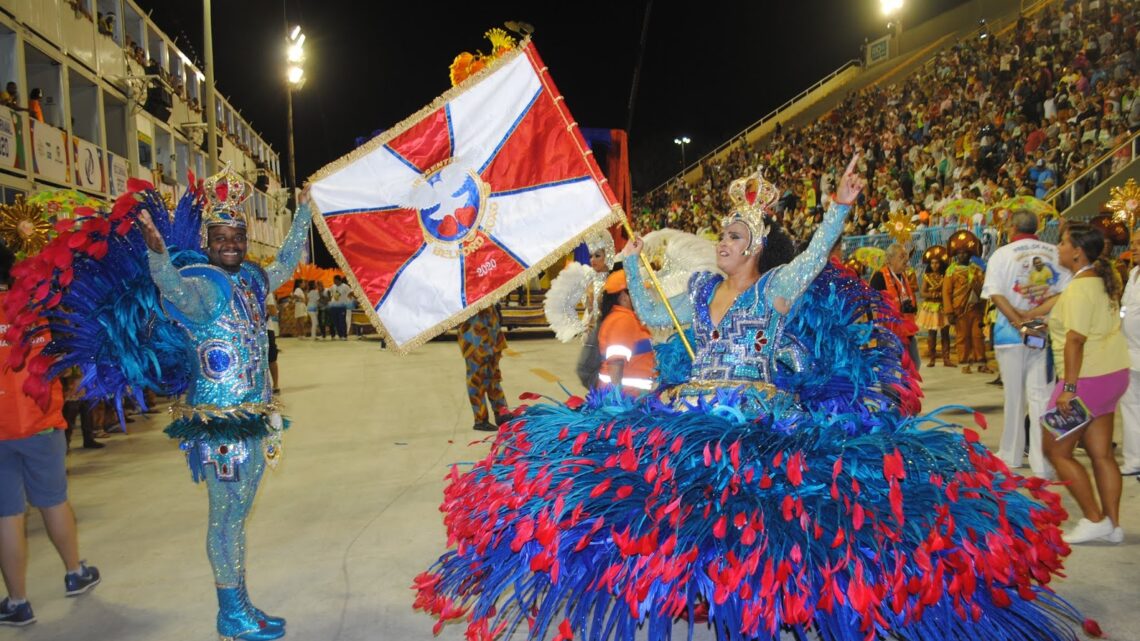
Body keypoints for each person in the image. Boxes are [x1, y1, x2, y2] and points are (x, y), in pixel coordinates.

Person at [416, 157, 1086, 641]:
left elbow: (818, 255)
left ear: (756, 247)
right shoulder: (703, 291)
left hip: (757, 416)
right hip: (689, 410)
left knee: (761, 525)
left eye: (733, 237)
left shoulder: (775, 289)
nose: (722, 243)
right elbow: (649, 306)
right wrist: (629, 253)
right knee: (654, 506)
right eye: (722, 236)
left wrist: (841, 207)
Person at [136, 166, 312, 640]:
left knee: (239, 516)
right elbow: (171, 289)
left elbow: (288, 263)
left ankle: (241, 606)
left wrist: (303, 213)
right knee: (227, 517)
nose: (230, 243)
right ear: (208, 240)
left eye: (237, 234)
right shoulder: (202, 286)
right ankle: (230, 614)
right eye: (221, 236)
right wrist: (157, 256)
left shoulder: (254, 280)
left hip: (253, 418)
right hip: (218, 430)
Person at [0, 243, 101, 628]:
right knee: (54, 501)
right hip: (41, 422)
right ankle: (74, 572)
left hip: (0, 431)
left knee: (6, 514)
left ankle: (18, 601)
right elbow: (68, 350)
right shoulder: (37, 310)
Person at [1031, 224, 1128, 544]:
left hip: (1085, 379)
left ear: (1077, 252)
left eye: (1062, 243)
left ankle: (1092, 518)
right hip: (1112, 373)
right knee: (1101, 452)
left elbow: (1075, 340)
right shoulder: (1100, 281)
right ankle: (1113, 525)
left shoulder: (1077, 289)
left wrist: (1069, 390)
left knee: (1055, 450)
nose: (1057, 248)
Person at [982, 209, 1069, 478]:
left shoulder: (1002, 254)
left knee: (1014, 396)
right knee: (1041, 397)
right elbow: (1065, 292)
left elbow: (995, 294)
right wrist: (1036, 318)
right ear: (1038, 228)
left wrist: (1020, 322)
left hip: (1011, 334)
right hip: (1043, 331)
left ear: (1011, 228)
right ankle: (1043, 462)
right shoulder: (1055, 252)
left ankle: (1011, 454)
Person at [595, 270, 656, 392]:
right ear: (623, 296)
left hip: (632, 399)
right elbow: (616, 361)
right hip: (627, 400)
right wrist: (617, 401)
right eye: (637, 292)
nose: (643, 296)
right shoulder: (623, 320)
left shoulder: (623, 318)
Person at [943, 231, 990, 374]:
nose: (962, 255)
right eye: (959, 253)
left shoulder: (976, 270)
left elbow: (983, 288)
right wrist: (949, 311)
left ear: (970, 254)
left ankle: (981, 362)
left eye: (965, 253)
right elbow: (946, 292)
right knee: (962, 337)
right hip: (959, 310)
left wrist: (983, 305)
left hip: (975, 308)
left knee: (977, 336)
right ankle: (965, 363)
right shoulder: (951, 271)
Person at [456, 305, 508, 432]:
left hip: (491, 333)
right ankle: (481, 419)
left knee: (493, 376)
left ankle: (502, 413)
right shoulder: (463, 292)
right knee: (477, 379)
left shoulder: (484, 288)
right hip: (475, 336)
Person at [869, 243, 921, 368]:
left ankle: (906, 386)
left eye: (906, 256)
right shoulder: (879, 277)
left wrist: (912, 308)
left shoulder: (904, 276)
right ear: (889, 260)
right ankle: (888, 387)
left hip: (906, 330)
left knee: (914, 364)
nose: (906, 259)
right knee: (889, 366)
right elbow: (873, 303)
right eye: (901, 256)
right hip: (888, 330)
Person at [1119, 228, 1140, 477]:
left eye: (1138, 243)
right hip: (1129, 352)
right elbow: (1125, 310)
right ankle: (1134, 459)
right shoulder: (1133, 273)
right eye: (1133, 242)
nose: (1134, 247)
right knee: (1131, 407)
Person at [916, 246, 952, 367]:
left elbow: (948, 291)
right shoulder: (927, 276)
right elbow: (922, 293)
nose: (934, 265)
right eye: (932, 263)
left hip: (942, 306)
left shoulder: (946, 276)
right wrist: (932, 294)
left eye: (937, 263)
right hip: (931, 308)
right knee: (932, 333)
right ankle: (932, 359)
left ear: (941, 264)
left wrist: (941, 294)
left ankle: (946, 358)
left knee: (945, 333)